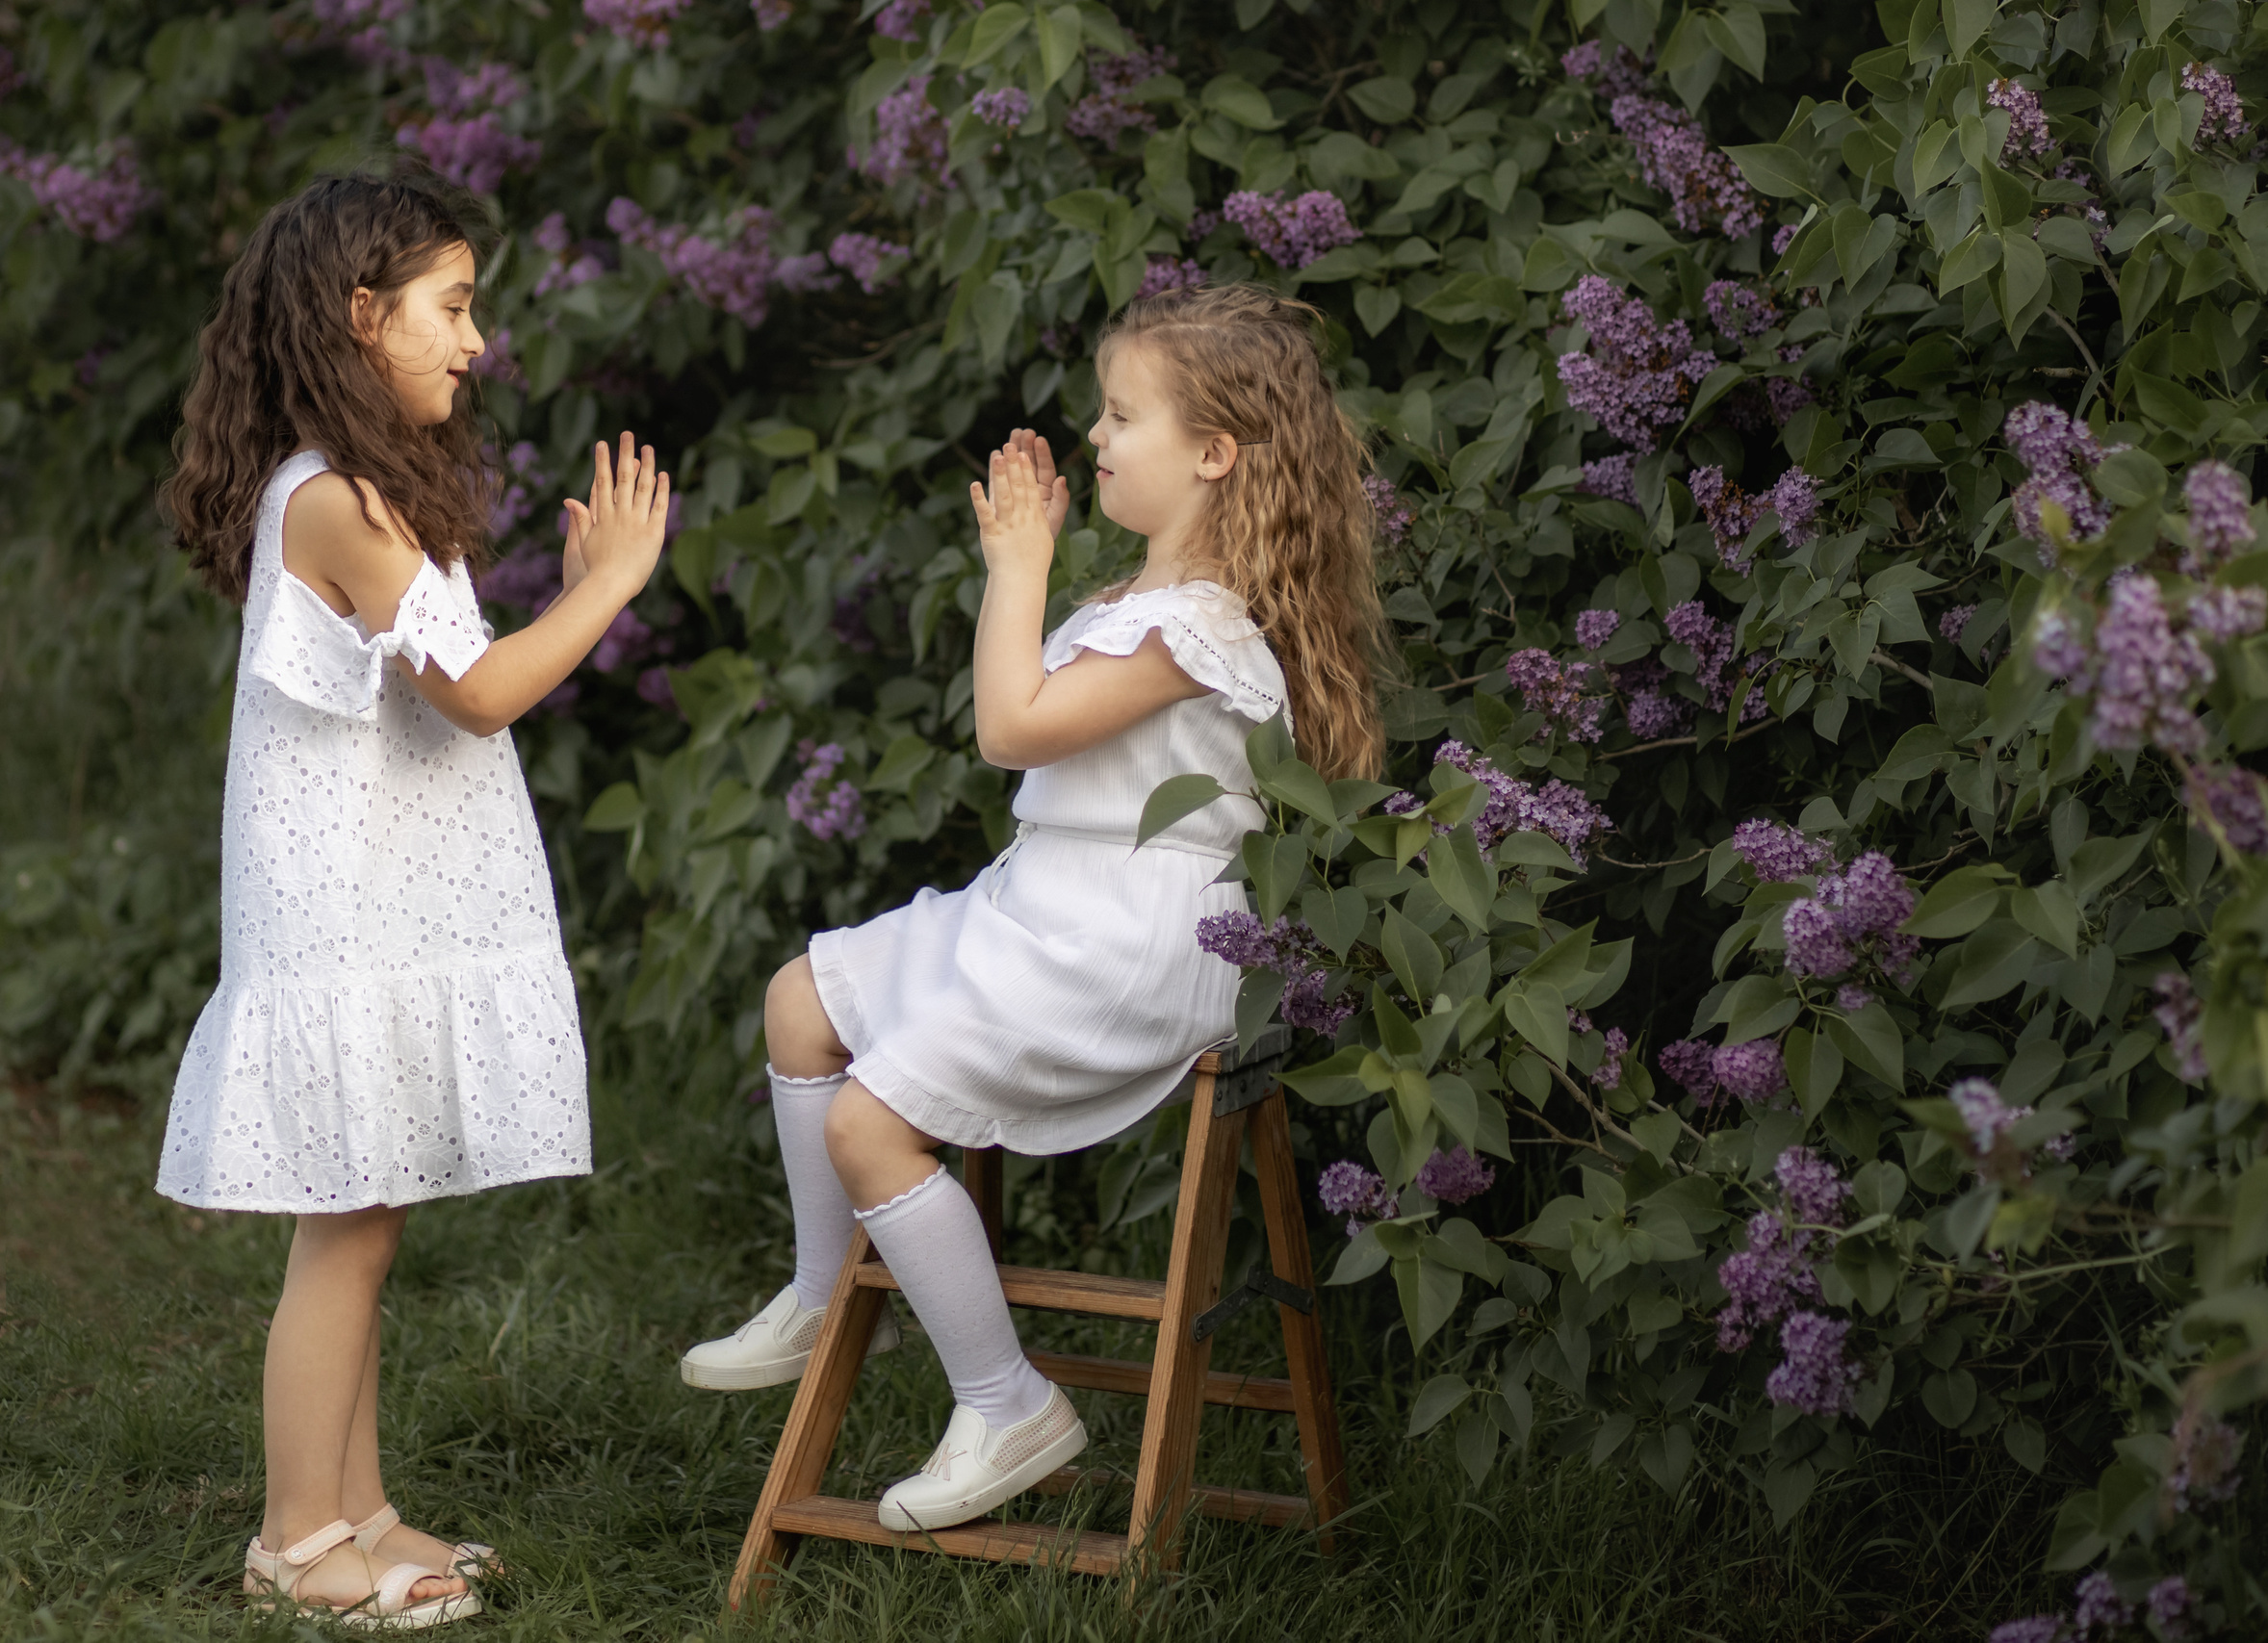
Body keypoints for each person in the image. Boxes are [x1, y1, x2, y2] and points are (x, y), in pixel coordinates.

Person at [680, 283, 1391, 1532]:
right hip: (1034, 910)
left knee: (869, 1125)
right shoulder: (1133, 607)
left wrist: (1016, 565)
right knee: (800, 1002)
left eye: (1123, 417)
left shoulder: (1205, 630)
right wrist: (1043, 571)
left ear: (1216, 455)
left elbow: (1010, 729)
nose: (1097, 438)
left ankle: (1008, 1403)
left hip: (1131, 942)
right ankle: (817, 1290)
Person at [155, 167, 670, 1627]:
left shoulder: (363, 491)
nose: (476, 340)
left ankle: (359, 1510)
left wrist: (570, 589)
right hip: (339, 917)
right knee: (351, 1222)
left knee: (364, 1211)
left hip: (375, 902)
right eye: (452, 308)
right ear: (360, 317)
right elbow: (483, 693)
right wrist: (609, 584)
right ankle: (295, 1543)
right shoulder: (333, 501)